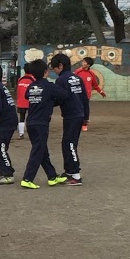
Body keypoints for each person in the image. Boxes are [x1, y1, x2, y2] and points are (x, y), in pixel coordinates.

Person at [19, 60, 62, 190]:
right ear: (45, 72)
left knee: (42, 150)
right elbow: (64, 95)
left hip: (30, 122)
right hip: (41, 124)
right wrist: (51, 102)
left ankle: (52, 176)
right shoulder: (49, 86)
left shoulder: (31, 86)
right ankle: (27, 179)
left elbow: (27, 96)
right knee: (38, 151)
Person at [50, 53, 89, 186]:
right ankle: (69, 172)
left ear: (60, 66)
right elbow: (85, 98)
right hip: (79, 114)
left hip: (71, 116)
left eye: (54, 68)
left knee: (69, 144)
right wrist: (86, 117)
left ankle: (76, 175)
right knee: (67, 143)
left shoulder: (61, 80)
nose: (54, 71)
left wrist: (46, 104)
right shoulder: (77, 78)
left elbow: (60, 98)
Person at [74, 56, 105, 131]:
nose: (83, 63)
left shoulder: (91, 74)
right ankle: (76, 123)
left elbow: (95, 85)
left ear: (88, 65)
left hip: (86, 96)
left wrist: (100, 92)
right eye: (83, 61)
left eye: (84, 62)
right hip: (77, 95)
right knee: (76, 109)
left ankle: (84, 124)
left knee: (86, 110)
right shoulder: (77, 72)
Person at [15, 61, 35, 140]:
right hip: (30, 102)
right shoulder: (33, 79)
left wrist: (18, 100)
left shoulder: (20, 79)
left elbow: (18, 91)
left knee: (21, 118)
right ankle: (32, 132)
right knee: (31, 117)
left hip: (21, 102)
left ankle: (21, 133)